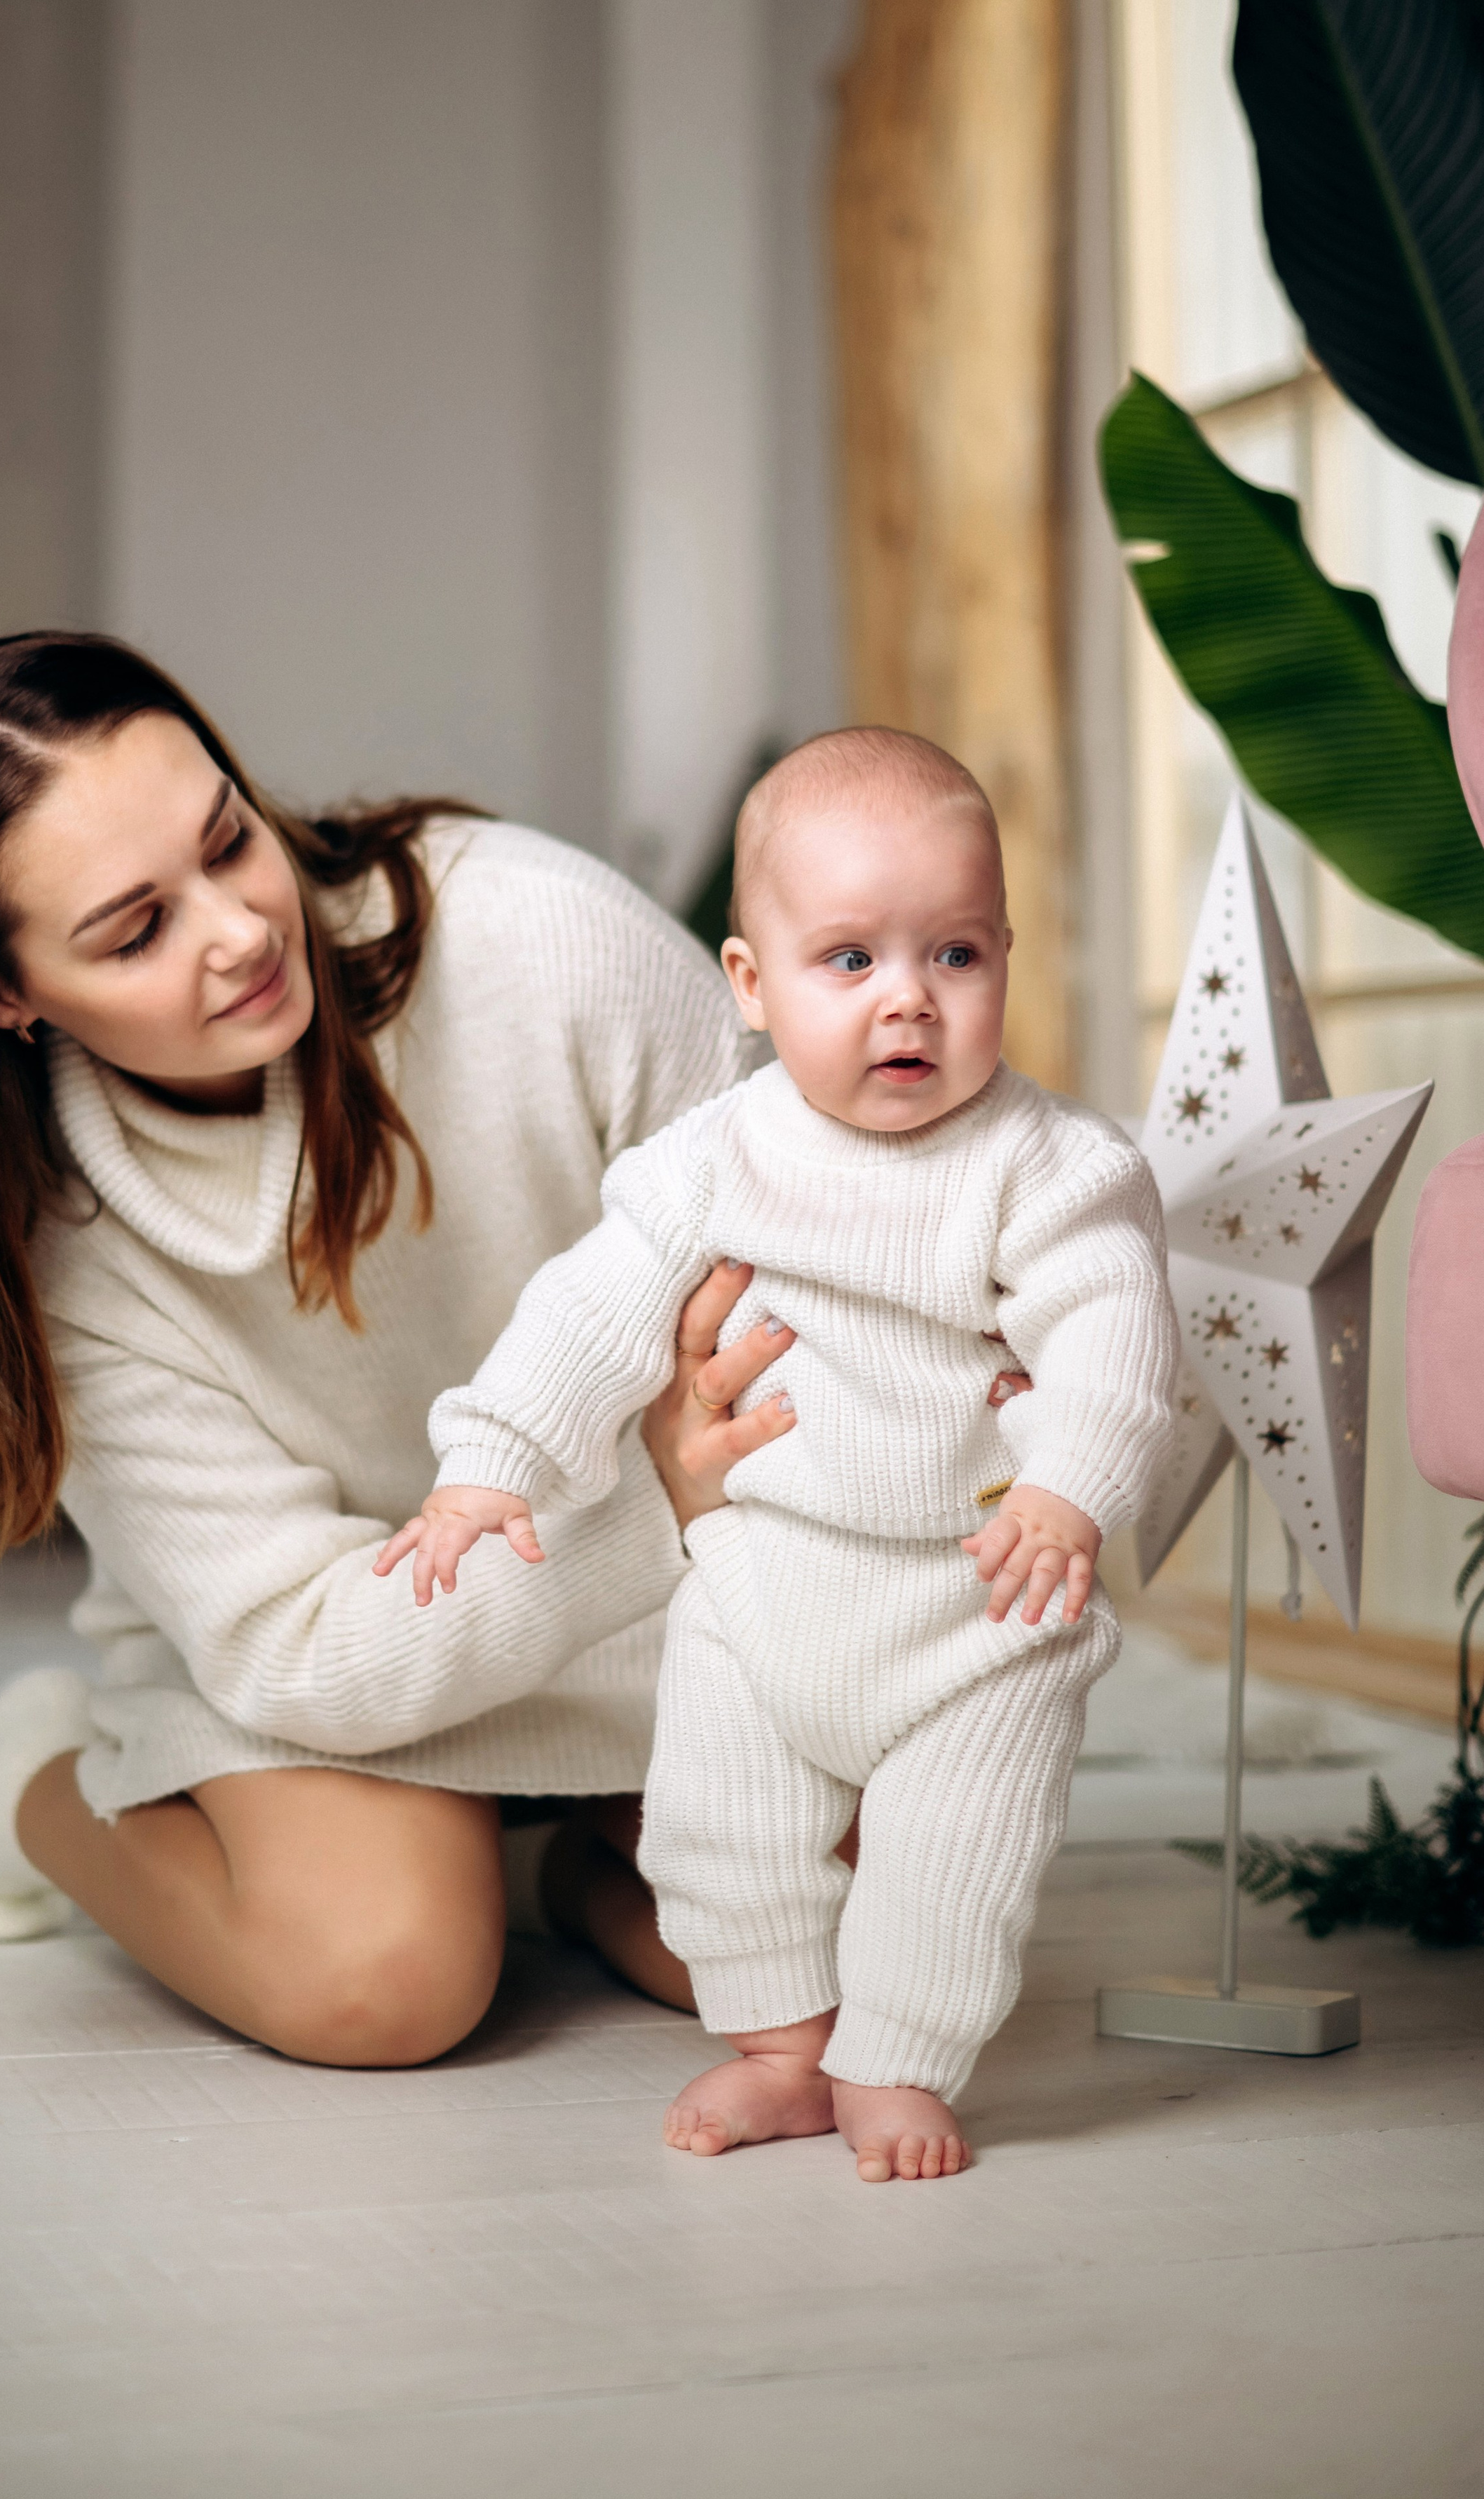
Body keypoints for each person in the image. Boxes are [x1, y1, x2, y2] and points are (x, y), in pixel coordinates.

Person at [0, 629, 801, 2068]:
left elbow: (802, 1264)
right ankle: (40, 1777)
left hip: (664, 1600)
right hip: (347, 1655)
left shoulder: (535, 936)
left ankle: (548, 1861)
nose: (235, 929)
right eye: (133, 930)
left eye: (227, 841)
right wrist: (650, 1509)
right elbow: (298, 1645)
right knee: (380, 1982)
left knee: (835, 1946)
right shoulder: (53, 1254)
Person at [381, 728, 1178, 2177]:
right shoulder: (713, 1157)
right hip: (761, 1585)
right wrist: (490, 1460)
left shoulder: (1051, 1167)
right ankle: (783, 2052)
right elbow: (595, 1308)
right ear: (748, 986)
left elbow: (1113, 1336)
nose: (906, 1007)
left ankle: (896, 2066)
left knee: (950, 1872)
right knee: (713, 1837)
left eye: (952, 957)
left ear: (1005, 957)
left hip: (972, 1614)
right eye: (848, 962)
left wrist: (1068, 1487)